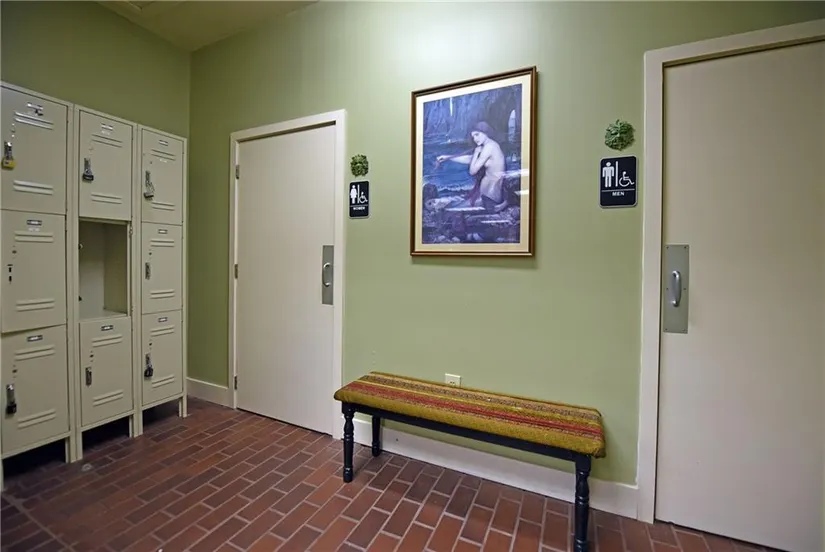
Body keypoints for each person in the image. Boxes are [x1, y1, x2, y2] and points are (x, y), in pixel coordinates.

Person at [436, 122, 508, 212]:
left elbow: (472, 171)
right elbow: (470, 159)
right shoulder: (490, 146)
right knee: (452, 205)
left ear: (485, 132)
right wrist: (448, 157)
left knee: (450, 209)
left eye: (477, 135)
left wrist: (476, 153)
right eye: (473, 136)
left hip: (489, 198)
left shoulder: (489, 147)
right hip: (486, 196)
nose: (475, 139)